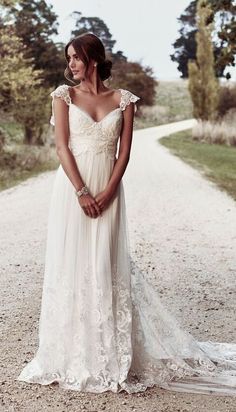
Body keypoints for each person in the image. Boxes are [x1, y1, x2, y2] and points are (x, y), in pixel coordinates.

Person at [16, 32, 236, 396]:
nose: (70, 64)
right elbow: (61, 147)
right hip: (73, 190)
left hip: (110, 189)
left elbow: (124, 154)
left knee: (104, 264)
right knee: (72, 264)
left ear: (95, 58)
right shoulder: (63, 96)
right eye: (68, 57)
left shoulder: (124, 100)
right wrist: (83, 192)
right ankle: (71, 352)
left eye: (76, 57)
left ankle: (107, 352)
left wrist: (107, 191)